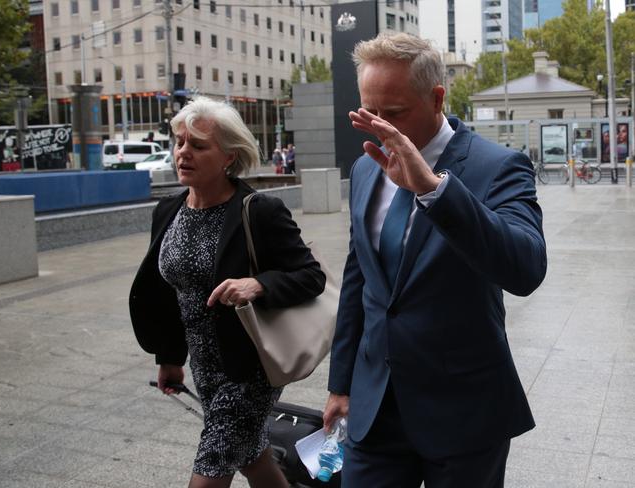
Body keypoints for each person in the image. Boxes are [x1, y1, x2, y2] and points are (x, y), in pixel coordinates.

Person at [323, 33, 547, 488]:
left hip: (463, 413)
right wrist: (341, 382)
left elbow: (525, 269)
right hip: (374, 409)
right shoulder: (367, 167)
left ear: (437, 97)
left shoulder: (499, 165)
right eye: (371, 112)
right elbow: (358, 282)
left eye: (396, 113)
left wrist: (434, 191)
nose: (381, 127)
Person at [130, 96, 326, 488]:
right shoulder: (168, 210)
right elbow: (171, 294)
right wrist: (169, 358)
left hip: (249, 368)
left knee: (209, 473)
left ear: (229, 157)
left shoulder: (259, 210)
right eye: (180, 142)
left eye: (198, 145)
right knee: (253, 458)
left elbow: (311, 276)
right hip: (205, 366)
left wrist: (259, 284)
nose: (183, 152)